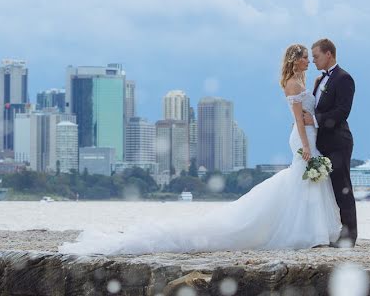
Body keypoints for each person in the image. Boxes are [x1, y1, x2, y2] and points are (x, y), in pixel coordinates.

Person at [58, 43, 341, 255]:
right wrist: (304, 145)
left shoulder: (307, 81)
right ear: (296, 59)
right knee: (303, 181)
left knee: (305, 184)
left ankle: (310, 231)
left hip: (312, 135)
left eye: (312, 57)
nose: (310, 60)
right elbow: (296, 119)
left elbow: (309, 109)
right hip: (303, 138)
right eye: (307, 57)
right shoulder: (293, 82)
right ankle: (305, 233)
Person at [302, 38, 358, 246]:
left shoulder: (344, 78)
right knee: (331, 191)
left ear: (329, 54)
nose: (314, 61)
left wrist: (315, 120)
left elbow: (343, 111)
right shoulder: (321, 80)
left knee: (342, 188)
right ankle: (334, 231)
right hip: (323, 143)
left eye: (316, 56)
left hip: (338, 142)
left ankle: (349, 236)